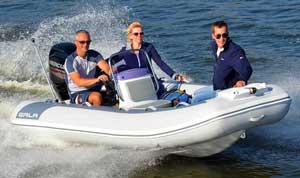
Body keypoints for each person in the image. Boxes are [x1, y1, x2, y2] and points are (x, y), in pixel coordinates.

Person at [121, 21, 186, 82]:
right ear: (131, 36)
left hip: (150, 81)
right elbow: (112, 60)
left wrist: (175, 76)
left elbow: (161, 63)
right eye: (136, 34)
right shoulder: (125, 50)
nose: (139, 36)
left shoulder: (149, 47)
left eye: (141, 33)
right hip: (133, 82)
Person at [64, 30, 111, 106]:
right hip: (77, 92)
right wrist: (97, 80)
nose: (85, 44)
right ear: (76, 42)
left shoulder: (94, 55)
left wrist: (114, 73)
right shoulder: (70, 61)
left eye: (88, 42)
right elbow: (79, 82)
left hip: (94, 87)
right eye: (82, 42)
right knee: (96, 97)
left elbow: (107, 68)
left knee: (113, 91)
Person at [211, 20, 253, 90]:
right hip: (217, 91)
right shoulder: (214, 45)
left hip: (230, 91)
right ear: (213, 36)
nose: (221, 39)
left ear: (228, 34)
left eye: (224, 35)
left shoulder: (235, 51)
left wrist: (242, 80)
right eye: (218, 36)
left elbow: (247, 69)